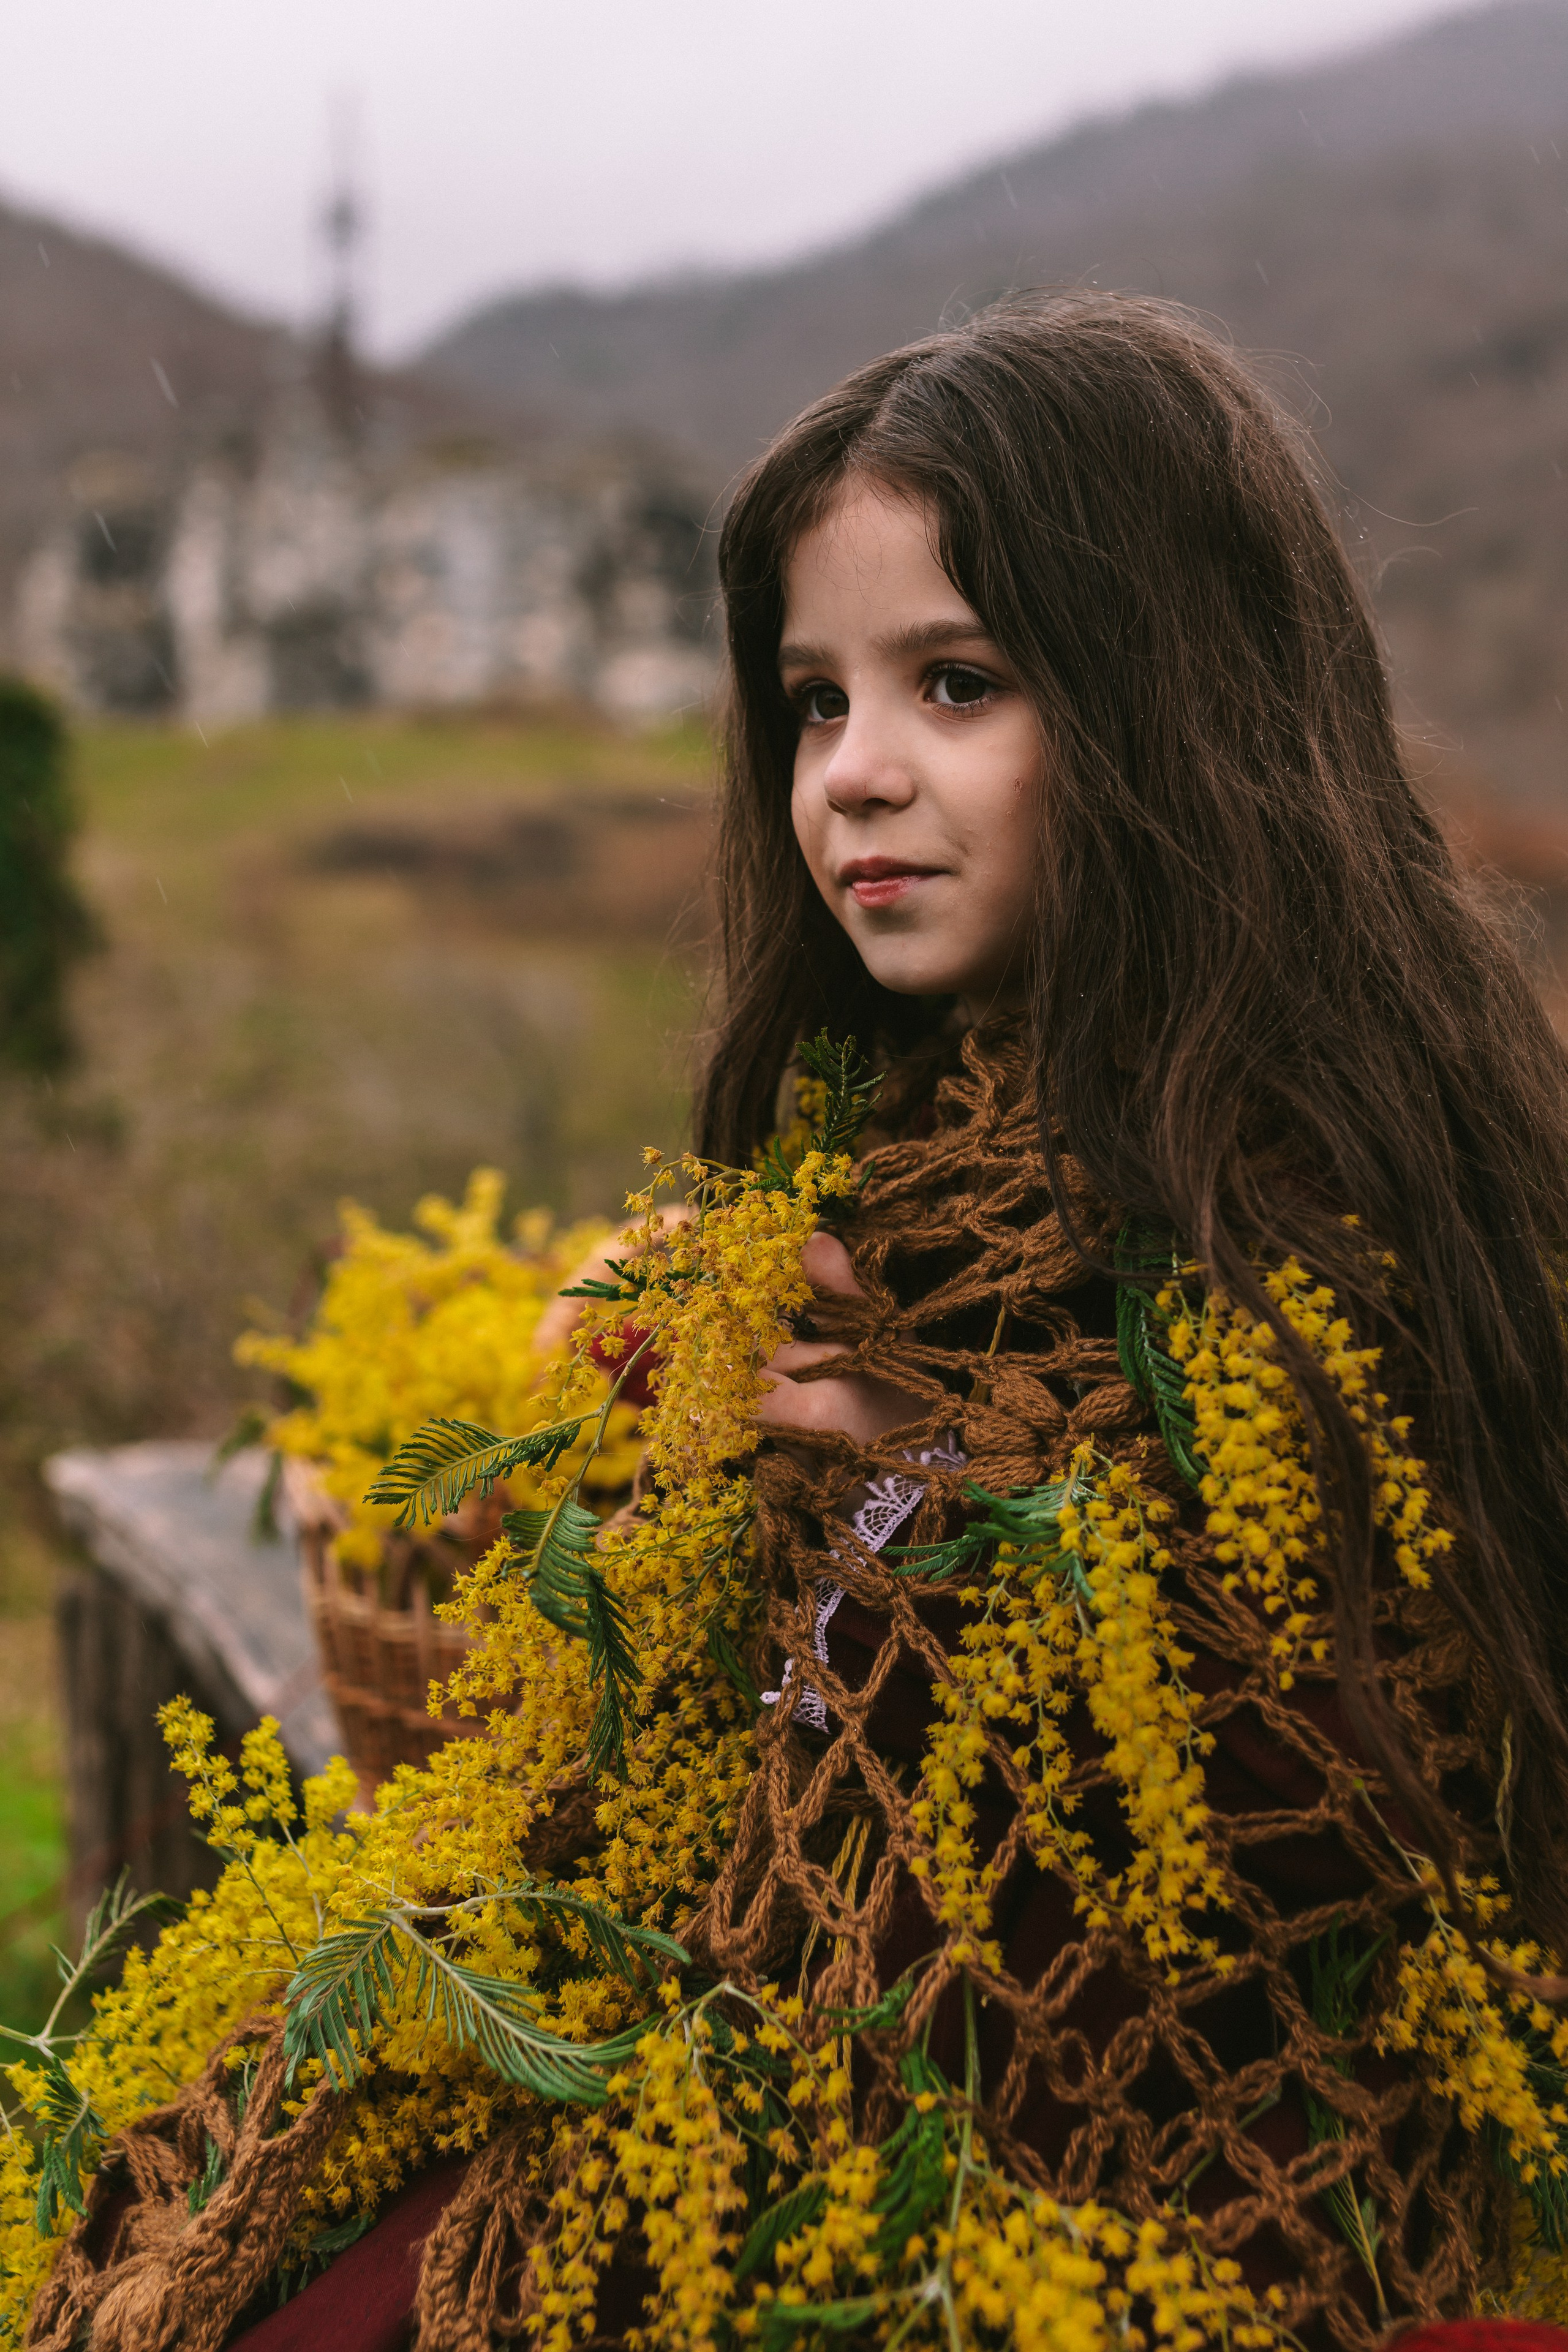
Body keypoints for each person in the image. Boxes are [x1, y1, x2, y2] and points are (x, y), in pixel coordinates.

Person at [30, 292, 1568, 2352]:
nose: (857, 775)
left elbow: (1344, 1809)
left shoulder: (1324, 1218)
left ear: (1176, 706)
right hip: (774, 2068)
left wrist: (933, 1500)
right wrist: (673, 1413)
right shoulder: (874, 1169)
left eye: (958, 684)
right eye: (816, 704)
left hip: (1116, 2196)